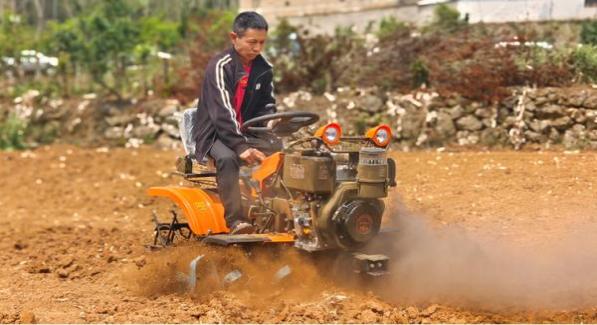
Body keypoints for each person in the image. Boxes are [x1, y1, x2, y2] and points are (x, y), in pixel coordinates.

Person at [192, 11, 276, 235]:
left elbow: (267, 105)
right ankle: (237, 221)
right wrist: (241, 147)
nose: (257, 48)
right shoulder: (220, 66)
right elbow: (222, 113)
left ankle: (278, 212)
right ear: (234, 38)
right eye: (252, 42)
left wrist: (269, 127)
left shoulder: (264, 68)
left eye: (262, 42)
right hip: (215, 134)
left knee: (282, 153)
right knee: (228, 158)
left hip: (245, 132)